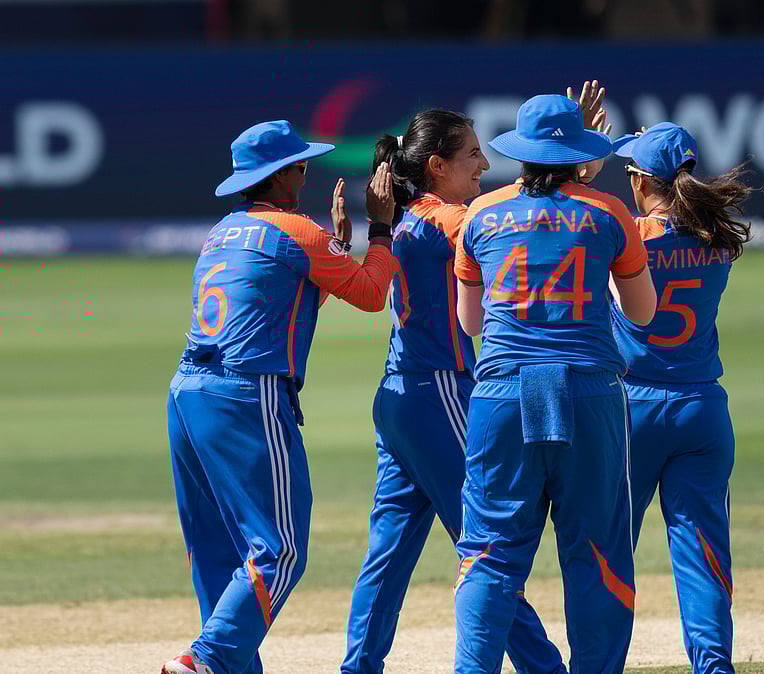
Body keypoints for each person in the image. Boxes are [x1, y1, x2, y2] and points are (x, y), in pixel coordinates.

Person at [163, 120, 400, 674]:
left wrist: (337, 246)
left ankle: (226, 664)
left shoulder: (222, 231)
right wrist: (381, 230)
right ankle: (207, 659)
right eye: (300, 165)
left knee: (220, 552)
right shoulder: (297, 231)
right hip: (248, 393)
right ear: (282, 175)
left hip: (187, 394)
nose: (307, 171)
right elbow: (370, 294)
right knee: (280, 551)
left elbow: (277, 305)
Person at [341, 111, 568, 674]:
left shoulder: (410, 216)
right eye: (472, 154)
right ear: (437, 166)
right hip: (440, 391)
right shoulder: (449, 218)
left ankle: (358, 667)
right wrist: (562, 168)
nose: (485, 164)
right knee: (487, 549)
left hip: (400, 393)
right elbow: (523, 223)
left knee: (388, 555)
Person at [452, 93, 657, 674]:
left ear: (520, 152)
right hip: (587, 392)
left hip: (502, 392)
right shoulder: (608, 211)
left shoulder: (481, 214)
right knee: (596, 553)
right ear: (580, 154)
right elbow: (641, 313)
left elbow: (471, 323)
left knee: (490, 555)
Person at [608, 122, 752, 674]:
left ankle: (601, 664)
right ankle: (714, 667)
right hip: (702, 410)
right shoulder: (716, 238)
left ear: (644, 181)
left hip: (633, 409)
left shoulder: (629, 234)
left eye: (630, 174)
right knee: (703, 557)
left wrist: (580, 154)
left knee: (610, 550)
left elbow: (582, 217)